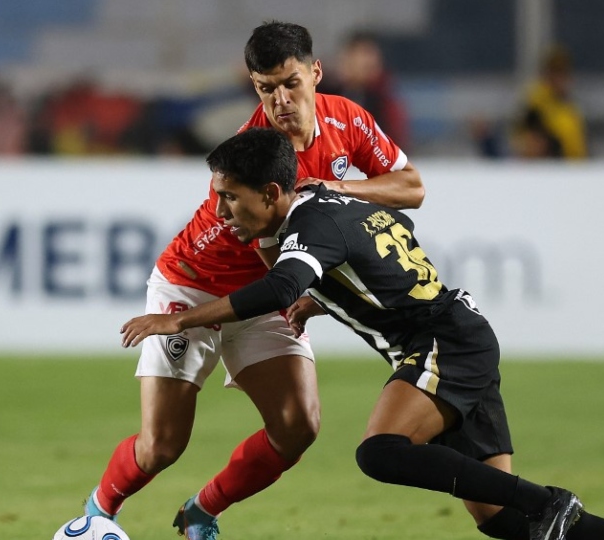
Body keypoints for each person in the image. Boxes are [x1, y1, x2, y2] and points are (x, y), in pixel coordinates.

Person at [120, 127, 604, 540]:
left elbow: (275, 291)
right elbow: (392, 231)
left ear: (271, 194)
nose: (220, 210)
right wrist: (324, 303)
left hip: (445, 342)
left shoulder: (307, 224)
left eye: (229, 197)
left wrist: (177, 319)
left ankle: (551, 501)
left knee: (381, 453)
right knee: (500, 520)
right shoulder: (329, 198)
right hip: (462, 335)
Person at [80, 20, 425, 540]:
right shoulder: (255, 151)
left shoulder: (347, 119)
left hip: (273, 288)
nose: (280, 100)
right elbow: (271, 259)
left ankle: (202, 511)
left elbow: (411, 187)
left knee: (297, 426)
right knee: (162, 446)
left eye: (290, 83)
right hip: (196, 284)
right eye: (266, 89)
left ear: (315, 72)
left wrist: (331, 187)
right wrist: (313, 293)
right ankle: (96, 514)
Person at [319, 29, 411, 150]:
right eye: (364, 55)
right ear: (346, 58)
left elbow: (396, 143)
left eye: (374, 57)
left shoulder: (383, 99)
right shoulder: (321, 92)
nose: (370, 62)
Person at [512, 45, 586, 160]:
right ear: (547, 74)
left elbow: (577, 145)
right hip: (546, 169)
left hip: (570, 170)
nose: (560, 79)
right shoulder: (535, 103)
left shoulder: (570, 107)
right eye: (555, 72)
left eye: (563, 73)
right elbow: (523, 140)